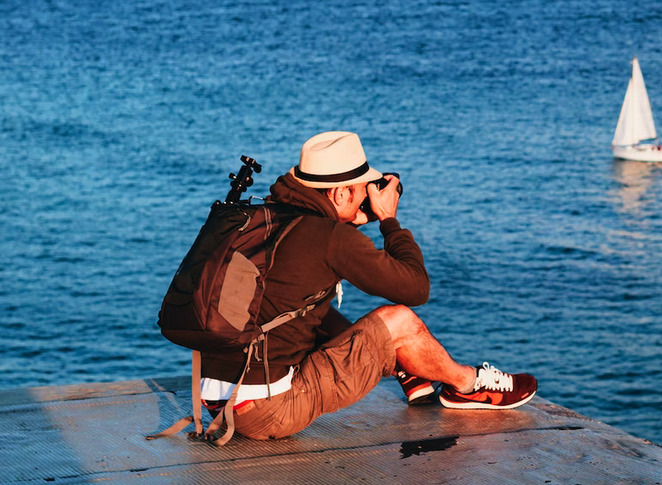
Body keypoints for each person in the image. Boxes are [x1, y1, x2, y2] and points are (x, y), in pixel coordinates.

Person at [200, 131, 538, 440]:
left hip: (216, 401)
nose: (368, 198)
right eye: (362, 189)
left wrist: (350, 218)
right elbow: (416, 288)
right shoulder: (332, 239)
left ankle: (407, 370)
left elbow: (314, 258)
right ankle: (468, 385)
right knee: (400, 320)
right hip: (267, 413)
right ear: (341, 191)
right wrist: (390, 221)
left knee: (313, 306)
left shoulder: (263, 217)